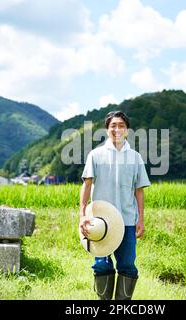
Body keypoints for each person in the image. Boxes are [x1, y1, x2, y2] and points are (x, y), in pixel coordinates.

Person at [79, 110, 151, 300]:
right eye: (113, 125)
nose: (117, 129)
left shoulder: (135, 157)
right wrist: (82, 215)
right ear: (106, 129)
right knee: (101, 264)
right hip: (100, 221)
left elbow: (139, 191)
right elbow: (86, 185)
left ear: (127, 130)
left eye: (121, 126)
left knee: (127, 265)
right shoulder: (95, 155)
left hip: (127, 220)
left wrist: (141, 219)